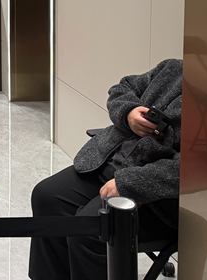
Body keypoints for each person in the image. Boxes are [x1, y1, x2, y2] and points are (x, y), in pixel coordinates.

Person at [29, 59, 182, 280]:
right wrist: (129, 113)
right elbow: (122, 88)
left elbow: (200, 168)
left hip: (158, 195)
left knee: (91, 230)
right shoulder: (173, 68)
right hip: (111, 162)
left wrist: (131, 183)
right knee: (47, 196)